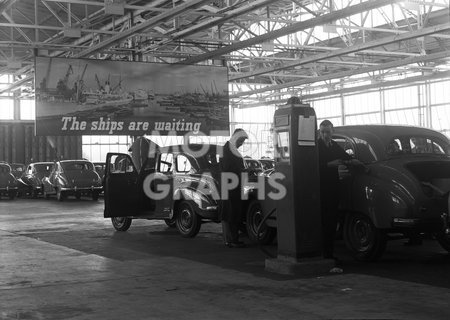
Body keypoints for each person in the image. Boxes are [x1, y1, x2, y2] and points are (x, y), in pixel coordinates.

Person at [318, 120, 361, 264]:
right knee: (324, 222)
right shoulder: (316, 147)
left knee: (331, 221)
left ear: (332, 131)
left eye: (327, 132)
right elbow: (310, 165)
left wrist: (358, 163)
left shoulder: (334, 145)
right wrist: (329, 164)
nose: (325, 135)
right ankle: (325, 253)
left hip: (333, 187)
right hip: (320, 189)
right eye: (322, 132)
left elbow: (346, 157)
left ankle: (329, 253)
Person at [220, 128, 249, 248]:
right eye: (241, 141)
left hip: (233, 186)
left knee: (232, 213)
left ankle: (232, 239)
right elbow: (227, 168)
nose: (242, 144)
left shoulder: (230, 149)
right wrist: (242, 171)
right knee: (230, 213)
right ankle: (231, 240)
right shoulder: (227, 150)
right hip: (230, 187)